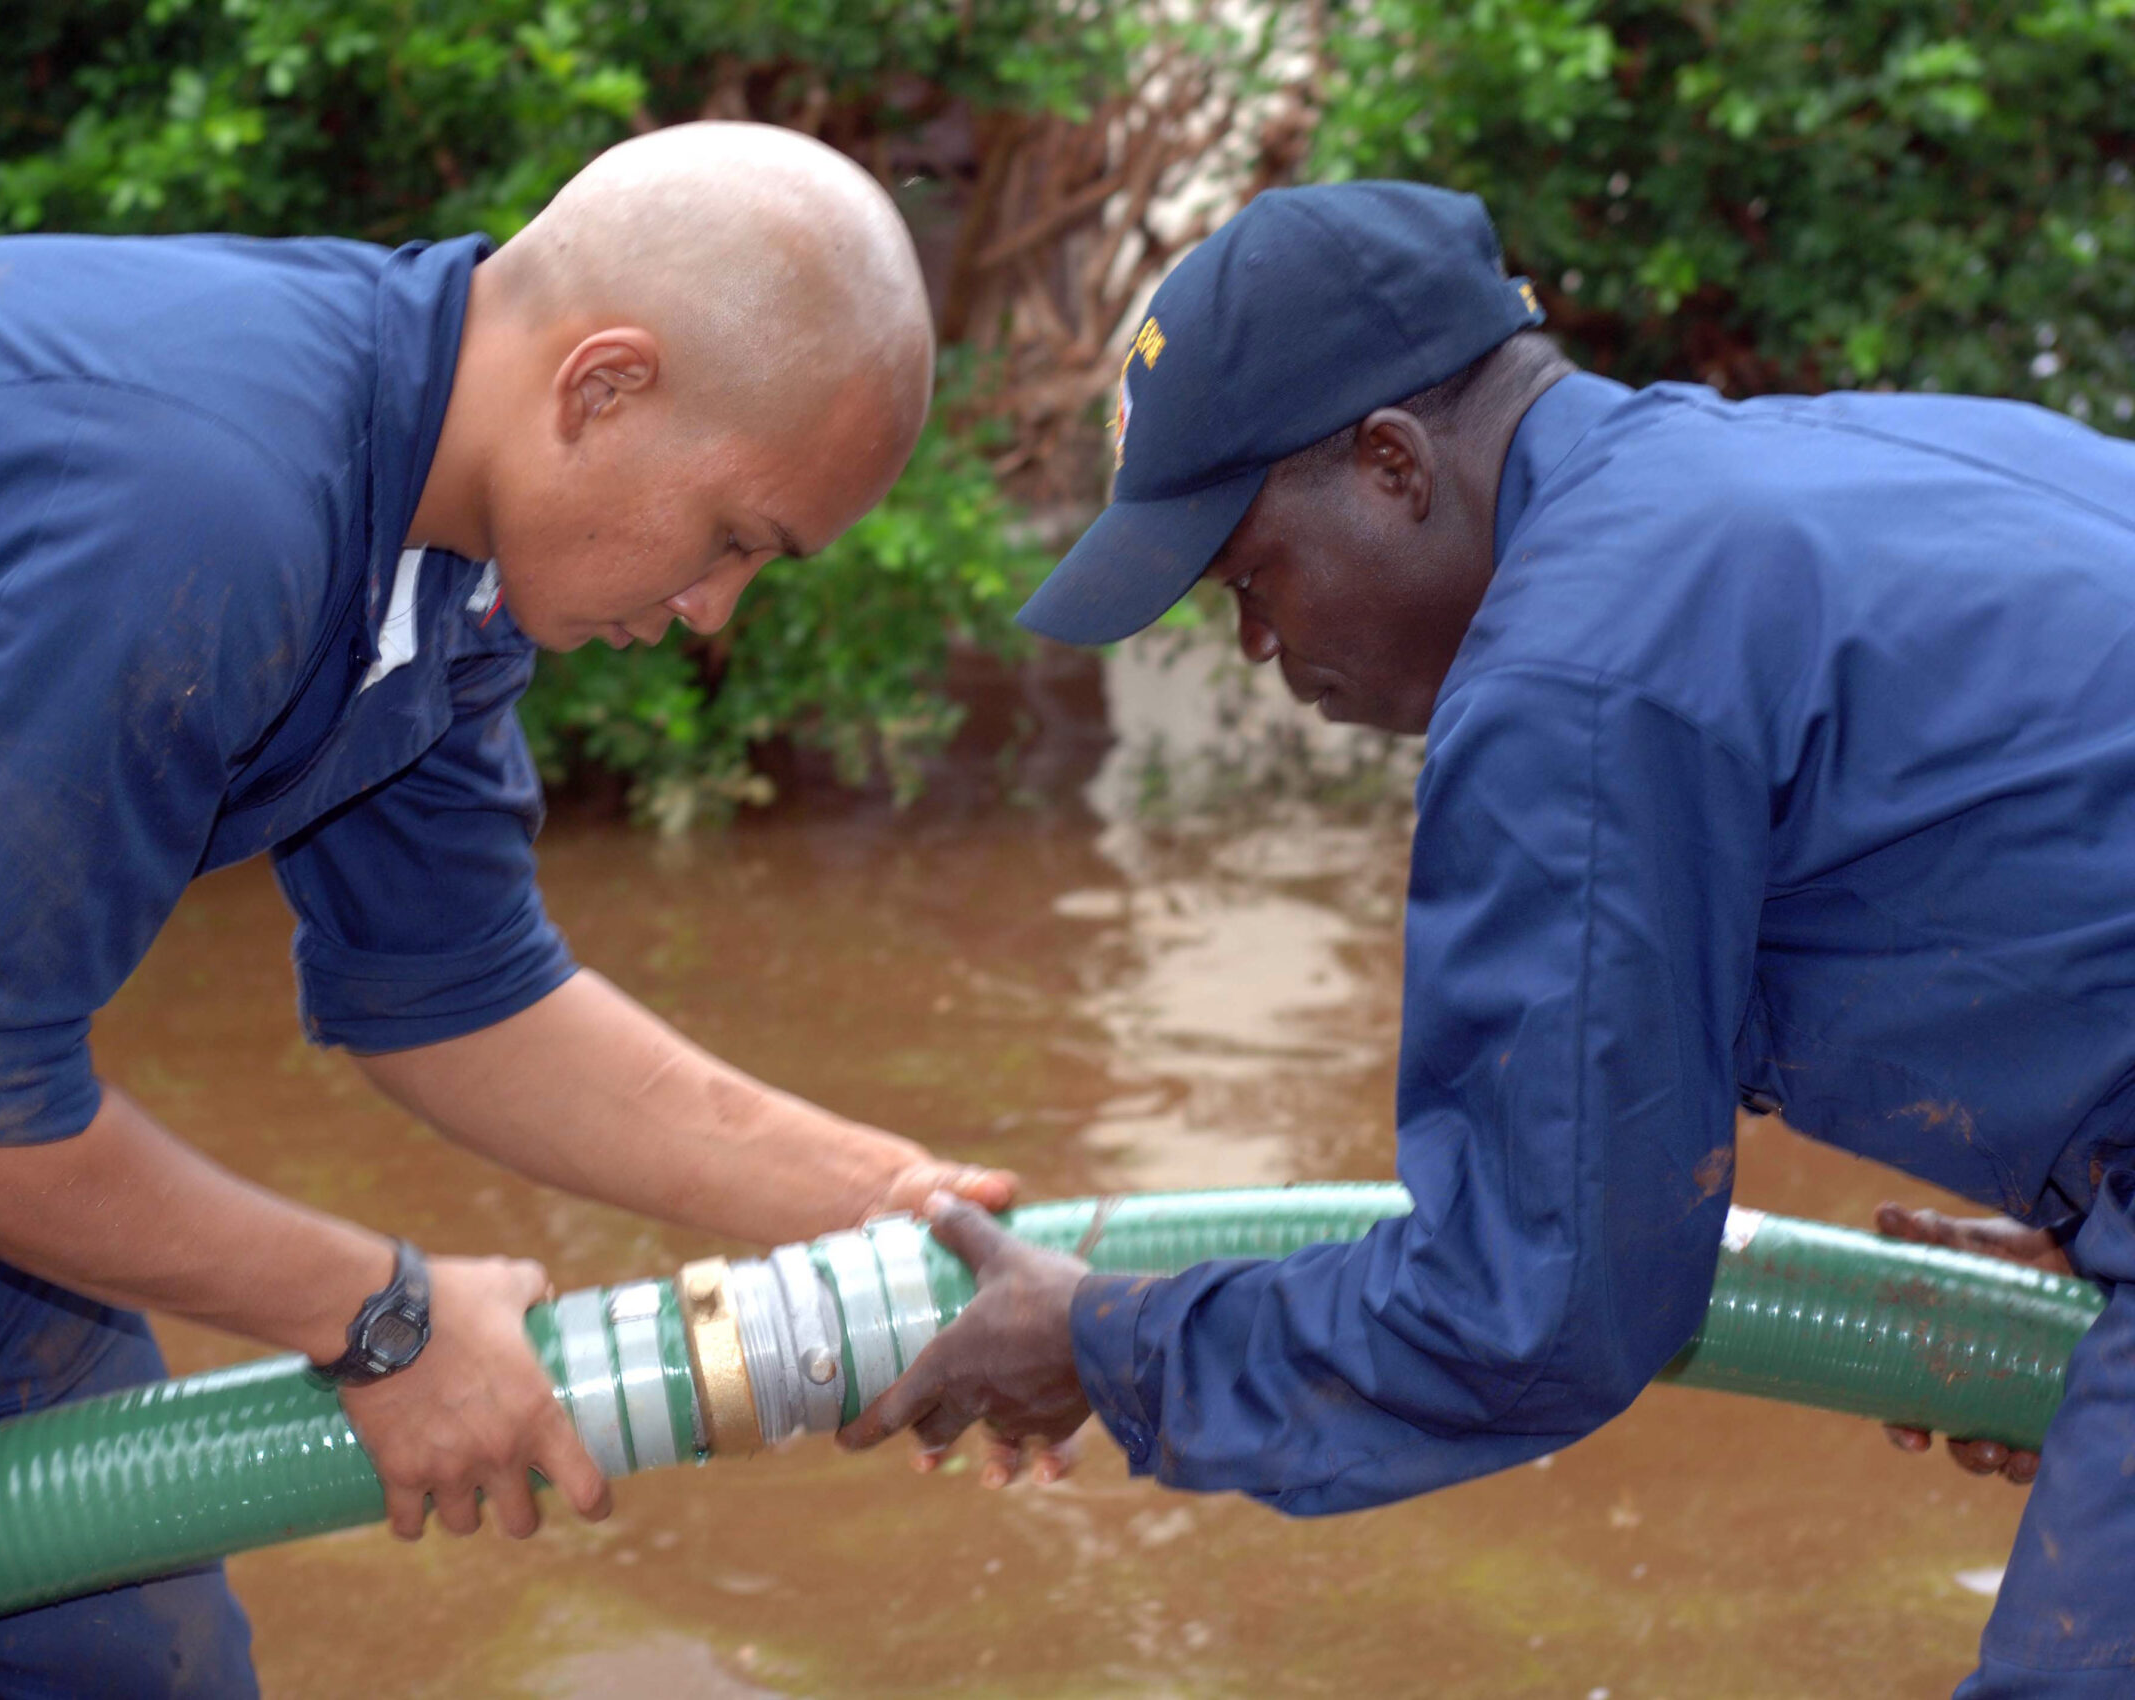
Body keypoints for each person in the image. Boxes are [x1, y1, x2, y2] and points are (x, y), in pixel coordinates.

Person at [0, 120, 1014, 1698]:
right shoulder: (208, 501)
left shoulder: (444, 577)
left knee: (124, 1641)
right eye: (733, 538)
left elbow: (463, 1002)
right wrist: (382, 1317)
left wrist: (888, 1200)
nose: (713, 612)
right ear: (602, 387)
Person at [839, 180, 2135, 1699]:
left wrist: (1115, 1348)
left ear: (1392, 465)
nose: (1261, 653)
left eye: (1251, 579)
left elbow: (1544, 1305)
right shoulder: (1832, 460)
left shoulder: (1577, 678)